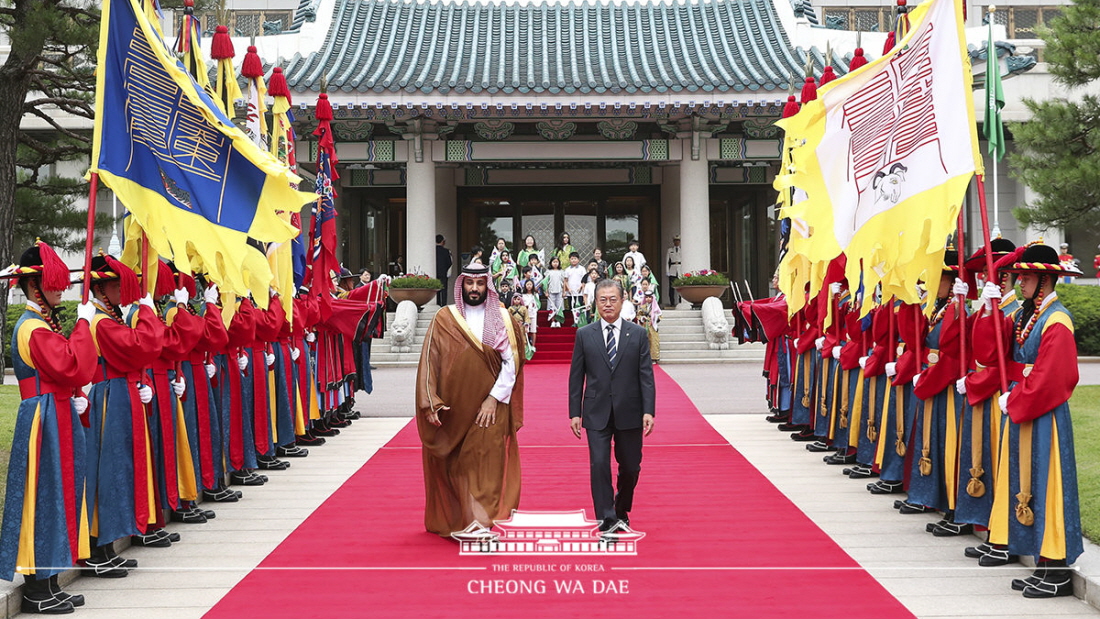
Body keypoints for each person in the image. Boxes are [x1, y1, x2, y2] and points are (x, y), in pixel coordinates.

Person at [0, 241, 97, 613]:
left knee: (60, 495)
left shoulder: (42, 323)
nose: (60, 288)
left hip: (56, 412)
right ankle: (38, 589)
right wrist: (85, 322)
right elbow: (69, 364)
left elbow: (67, 371)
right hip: (42, 417)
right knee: (43, 497)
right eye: (51, 282)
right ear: (33, 285)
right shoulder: (33, 327)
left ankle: (51, 580)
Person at [414, 264, 526, 536]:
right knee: (459, 467)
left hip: (491, 407)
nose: (474, 289)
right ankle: (464, 519)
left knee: (486, 462)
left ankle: (481, 523)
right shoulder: (444, 317)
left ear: (487, 285)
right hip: (454, 409)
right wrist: (430, 402)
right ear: (461, 284)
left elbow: (512, 364)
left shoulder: (502, 317)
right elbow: (430, 361)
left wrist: (493, 398)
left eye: (479, 283)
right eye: (469, 283)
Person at [568, 279, 655, 537]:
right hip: (596, 412)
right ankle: (606, 520)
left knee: (631, 467)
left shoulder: (638, 334)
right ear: (596, 302)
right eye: (602, 300)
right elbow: (576, 376)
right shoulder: (585, 334)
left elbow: (646, 376)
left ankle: (621, 507)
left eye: (612, 299)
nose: (608, 304)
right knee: (598, 464)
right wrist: (575, 412)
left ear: (622, 300)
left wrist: (648, 410)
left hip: (630, 410)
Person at [635, 279, 662, 363]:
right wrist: (643, 318)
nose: (648, 299)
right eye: (646, 297)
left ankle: (654, 358)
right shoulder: (642, 306)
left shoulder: (655, 307)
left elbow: (660, 316)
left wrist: (654, 318)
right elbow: (638, 315)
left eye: (650, 297)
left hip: (652, 326)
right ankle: (644, 358)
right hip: (644, 326)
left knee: (653, 341)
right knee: (644, 342)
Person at [563, 252, 586, 324]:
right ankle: (574, 322)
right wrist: (568, 289)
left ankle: (580, 322)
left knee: (580, 307)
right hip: (571, 292)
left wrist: (581, 287)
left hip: (580, 292)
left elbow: (584, 280)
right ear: (569, 260)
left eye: (575, 259)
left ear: (578, 260)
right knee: (571, 307)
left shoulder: (582, 269)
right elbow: (565, 281)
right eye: (572, 259)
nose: (573, 260)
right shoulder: (567, 270)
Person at [544, 257, 565, 327]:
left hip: (559, 291)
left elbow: (564, 282)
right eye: (554, 262)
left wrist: (564, 292)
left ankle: (558, 321)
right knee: (552, 307)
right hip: (551, 291)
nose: (555, 263)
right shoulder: (548, 272)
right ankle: (553, 321)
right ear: (551, 263)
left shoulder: (561, 272)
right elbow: (546, 283)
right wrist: (546, 292)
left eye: (557, 262)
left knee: (559, 307)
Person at [520, 279, 540, 347]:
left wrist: (534, 309)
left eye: (530, 284)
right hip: (525, 315)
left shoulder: (535, 295)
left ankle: (533, 346)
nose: (529, 286)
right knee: (525, 330)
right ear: (525, 285)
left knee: (533, 330)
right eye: (527, 284)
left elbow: (538, 304)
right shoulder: (523, 295)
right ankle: (526, 345)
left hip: (533, 313)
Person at [436, 234, 453, 306]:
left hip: (435, 273)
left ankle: (437, 303)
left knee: (436, 290)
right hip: (443, 273)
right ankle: (443, 305)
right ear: (443, 242)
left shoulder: (432, 251)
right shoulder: (446, 251)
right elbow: (449, 262)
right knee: (444, 290)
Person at [666, 234, 682, 306]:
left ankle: (681, 302)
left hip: (680, 269)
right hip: (672, 269)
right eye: (675, 240)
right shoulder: (670, 250)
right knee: (671, 287)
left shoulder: (682, 250)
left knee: (681, 287)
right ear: (673, 241)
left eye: (678, 240)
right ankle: (672, 302)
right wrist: (667, 271)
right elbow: (667, 262)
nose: (677, 242)